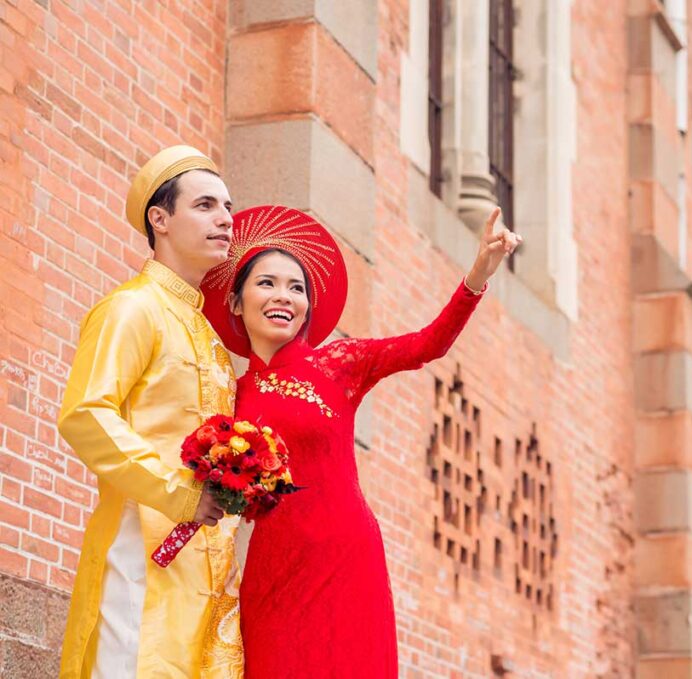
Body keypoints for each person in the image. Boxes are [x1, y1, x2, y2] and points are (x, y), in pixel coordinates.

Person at [199, 203, 520, 677]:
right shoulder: (228, 392)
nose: (283, 296)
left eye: (296, 287)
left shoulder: (338, 365)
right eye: (266, 283)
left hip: (346, 558)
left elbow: (426, 344)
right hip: (273, 571)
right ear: (235, 300)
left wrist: (476, 277)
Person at [58, 146, 243, 678]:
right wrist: (178, 493)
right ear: (159, 220)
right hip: (140, 550)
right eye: (205, 205)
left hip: (207, 558)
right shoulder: (131, 308)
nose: (224, 219)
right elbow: (86, 414)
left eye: (227, 207)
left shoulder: (207, 334)